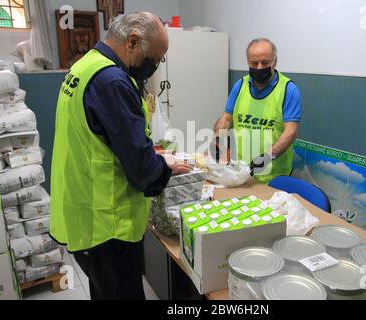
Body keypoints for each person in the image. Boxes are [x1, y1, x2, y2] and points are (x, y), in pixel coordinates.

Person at [50, 12, 192, 300]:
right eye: (155, 57)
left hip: (81, 212)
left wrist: (147, 152)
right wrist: (163, 167)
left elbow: (101, 139)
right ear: (133, 41)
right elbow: (142, 172)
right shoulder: (112, 81)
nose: (155, 66)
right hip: (105, 223)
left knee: (104, 292)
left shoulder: (86, 65)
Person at [214, 38, 302, 184]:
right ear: (248, 62)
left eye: (265, 63)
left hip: (274, 177)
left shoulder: (288, 90)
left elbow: (290, 132)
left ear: (275, 61)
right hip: (240, 172)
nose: (260, 68)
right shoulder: (240, 85)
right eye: (254, 63)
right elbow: (226, 119)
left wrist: (266, 157)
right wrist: (220, 141)